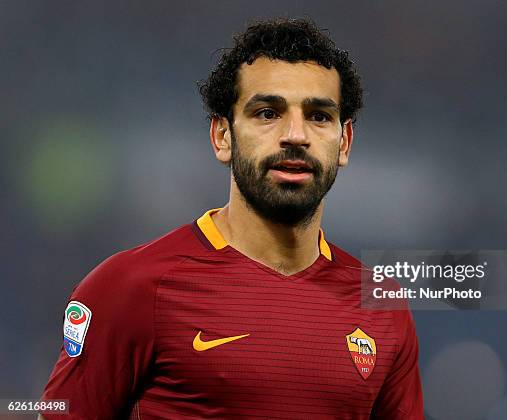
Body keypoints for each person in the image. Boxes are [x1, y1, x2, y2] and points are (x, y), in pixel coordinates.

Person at [40, 18, 424, 419]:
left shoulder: (382, 307)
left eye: (319, 116)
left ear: (343, 143)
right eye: (267, 112)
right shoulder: (131, 286)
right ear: (222, 136)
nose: (296, 133)